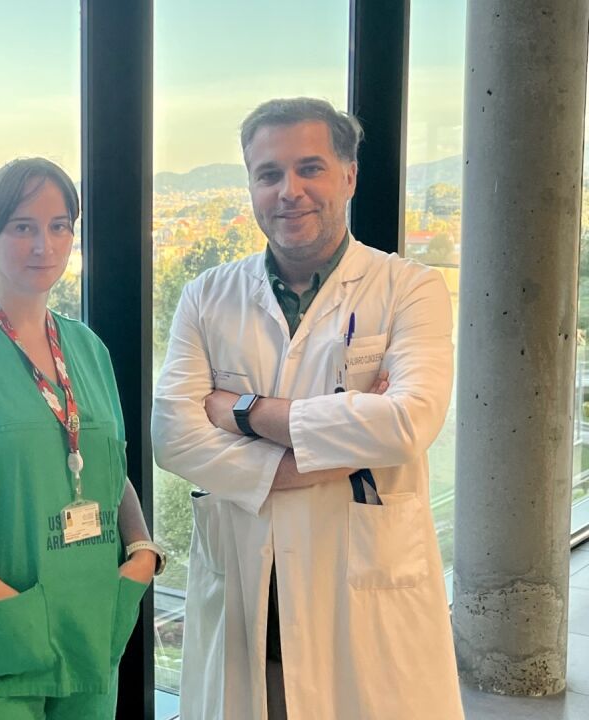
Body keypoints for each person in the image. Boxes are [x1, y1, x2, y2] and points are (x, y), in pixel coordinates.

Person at [151, 97, 463, 719]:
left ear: (349, 176)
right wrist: (322, 458)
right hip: (246, 592)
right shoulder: (207, 296)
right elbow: (172, 437)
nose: (289, 191)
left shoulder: (410, 288)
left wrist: (241, 411)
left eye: (310, 168)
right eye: (268, 174)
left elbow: (408, 422)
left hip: (363, 599)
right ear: (250, 186)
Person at [0, 157, 163, 719]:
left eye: (59, 226)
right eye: (23, 227)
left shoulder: (88, 349)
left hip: (87, 628)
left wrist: (141, 551)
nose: (45, 245)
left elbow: (105, 467)